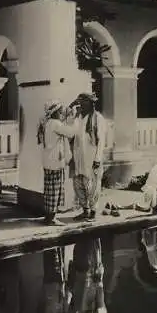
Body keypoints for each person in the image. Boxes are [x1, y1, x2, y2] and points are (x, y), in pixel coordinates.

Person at [37, 100, 76, 226]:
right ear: (54, 113)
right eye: (59, 111)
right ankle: (51, 218)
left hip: (48, 161)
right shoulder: (55, 124)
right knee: (55, 190)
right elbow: (71, 132)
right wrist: (72, 118)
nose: (61, 113)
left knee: (49, 189)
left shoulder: (48, 123)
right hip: (55, 162)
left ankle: (48, 217)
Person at [70, 93, 106, 221]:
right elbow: (70, 130)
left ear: (91, 104)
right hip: (79, 157)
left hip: (92, 158)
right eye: (80, 103)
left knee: (93, 185)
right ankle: (85, 210)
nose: (81, 106)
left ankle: (93, 211)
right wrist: (71, 107)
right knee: (78, 183)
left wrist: (98, 159)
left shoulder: (98, 118)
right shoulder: (78, 118)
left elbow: (101, 141)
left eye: (84, 103)